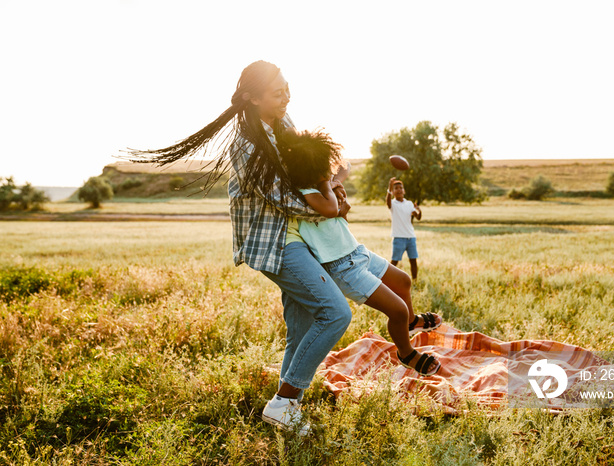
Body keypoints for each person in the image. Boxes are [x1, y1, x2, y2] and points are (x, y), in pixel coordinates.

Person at [127, 60, 352, 436]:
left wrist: (328, 184)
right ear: (252, 98)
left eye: (287, 88)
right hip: (273, 243)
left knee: (300, 325)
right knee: (335, 313)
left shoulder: (283, 122)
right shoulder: (245, 146)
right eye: (277, 93)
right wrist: (331, 209)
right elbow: (283, 198)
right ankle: (283, 401)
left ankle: (287, 406)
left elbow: (303, 172)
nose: (286, 97)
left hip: (297, 236)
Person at [278, 130, 443, 377]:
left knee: (404, 282)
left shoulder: (320, 182)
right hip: (341, 267)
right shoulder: (305, 191)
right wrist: (329, 184)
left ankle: (408, 323)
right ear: (311, 169)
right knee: (396, 309)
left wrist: (334, 180)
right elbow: (331, 208)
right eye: (322, 167)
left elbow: (345, 166)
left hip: (356, 251)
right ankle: (406, 352)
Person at [386, 177, 422, 280]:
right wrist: (389, 187)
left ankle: (414, 280)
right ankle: (387, 280)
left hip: (411, 237)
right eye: (396, 188)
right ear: (393, 192)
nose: (399, 190)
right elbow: (387, 202)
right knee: (394, 262)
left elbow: (418, 217)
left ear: (404, 191)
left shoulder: (409, 204)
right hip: (398, 238)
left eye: (401, 188)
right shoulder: (392, 204)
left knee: (413, 261)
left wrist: (419, 211)